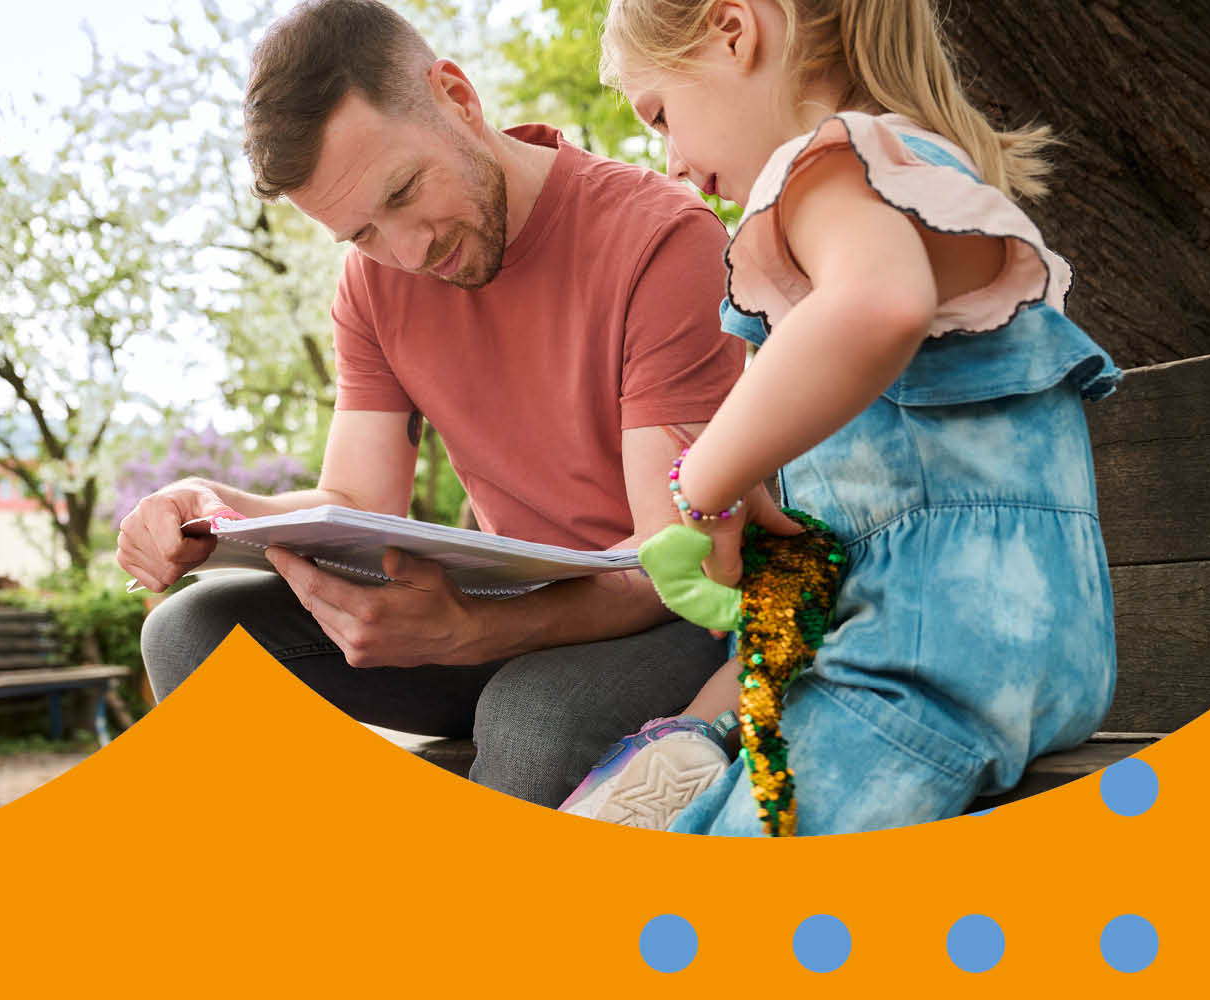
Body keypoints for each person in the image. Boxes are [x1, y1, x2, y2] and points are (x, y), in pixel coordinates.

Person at [116, 0, 748, 808]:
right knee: (191, 633)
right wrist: (210, 508)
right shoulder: (376, 285)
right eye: (362, 233)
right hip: (500, 614)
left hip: (667, 621)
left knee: (532, 721)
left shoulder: (660, 240)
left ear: (457, 96)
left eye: (404, 190)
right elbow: (351, 500)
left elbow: (676, 562)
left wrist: (472, 630)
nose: (408, 252)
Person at [558, 0, 1121, 835]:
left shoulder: (836, 164)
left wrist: (706, 479)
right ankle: (704, 744)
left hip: (927, 662)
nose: (671, 162)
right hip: (983, 651)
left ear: (733, 29)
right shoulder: (902, 187)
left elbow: (879, 303)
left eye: (661, 115)